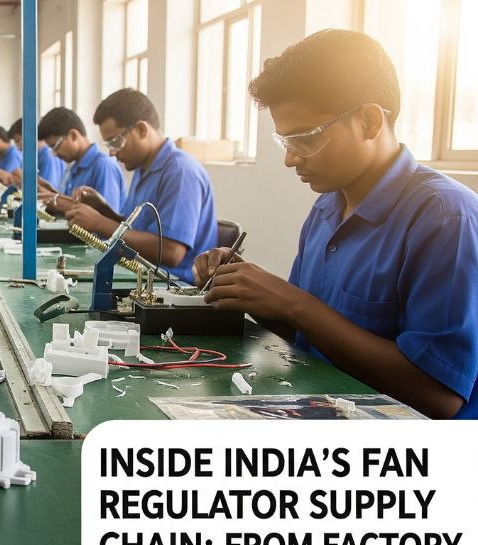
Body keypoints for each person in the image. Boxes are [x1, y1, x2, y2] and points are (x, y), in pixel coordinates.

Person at [194, 30, 478, 418]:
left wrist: (291, 303)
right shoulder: (327, 208)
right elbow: (309, 333)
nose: (290, 160)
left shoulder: (445, 218)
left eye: (304, 139)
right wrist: (250, 288)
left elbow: (439, 397)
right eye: (285, 142)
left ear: (369, 121)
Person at [58, 88, 217, 284]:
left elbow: (171, 252)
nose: (112, 153)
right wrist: (104, 210)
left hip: (174, 288)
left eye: (115, 141)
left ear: (142, 129)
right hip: (142, 278)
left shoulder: (181, 171)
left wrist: (100, 223)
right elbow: (137, 230)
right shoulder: (143, 169)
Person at [36, 106, 125, 215]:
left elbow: (108, 219)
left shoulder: (104, 166)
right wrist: (51, 193)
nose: (55, 153)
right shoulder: (73, 168)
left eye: (55, 146)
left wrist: (56, 201)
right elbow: (74, 203)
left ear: (73, 135)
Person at [8, 117, 66, 192]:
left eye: (18, 141)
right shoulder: (30, 156)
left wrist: (25, 181)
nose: (18, 148)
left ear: (30, 136)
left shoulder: (48, 157)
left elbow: (50, 195)